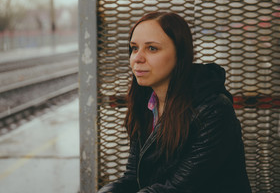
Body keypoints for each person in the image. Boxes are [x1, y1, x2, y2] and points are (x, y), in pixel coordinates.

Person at [98, 12, 252, 193]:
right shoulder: (146, 104)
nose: (137, 58)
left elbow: (177, 188)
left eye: (152, 49)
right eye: (134, 48)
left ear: (180, 54)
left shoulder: (213, 110)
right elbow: (133, 177)